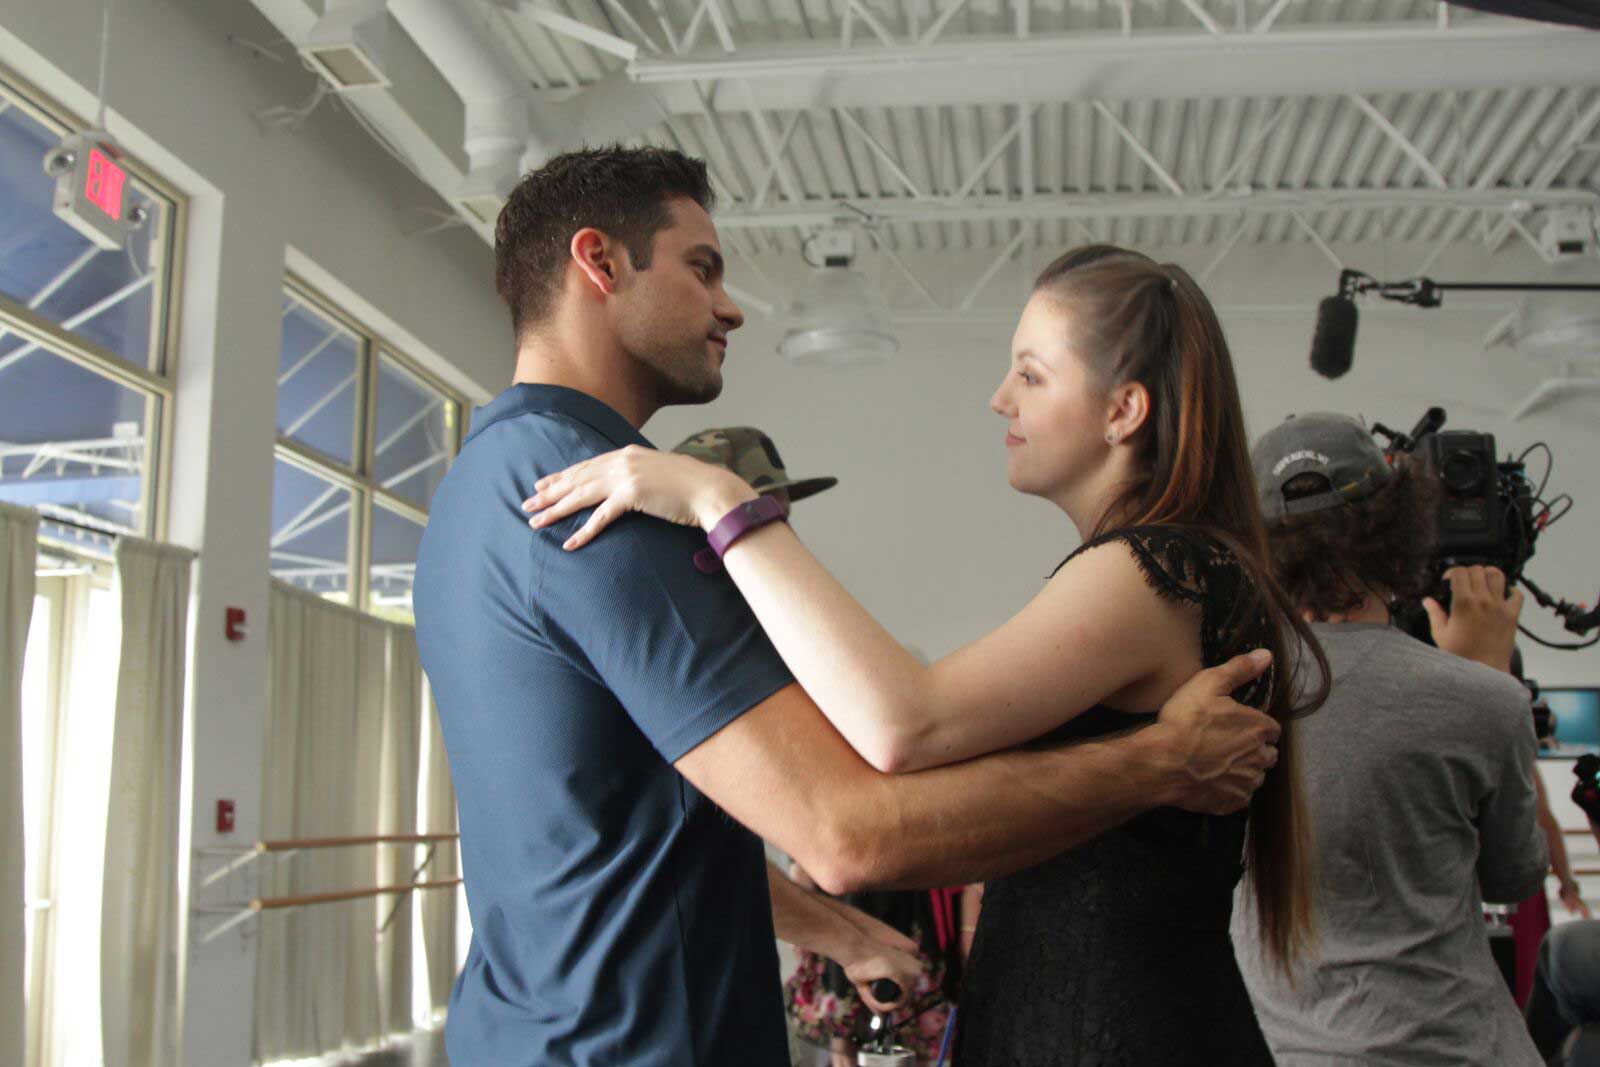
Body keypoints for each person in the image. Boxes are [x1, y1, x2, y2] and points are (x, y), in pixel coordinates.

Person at [415, 147, 1281, 1067]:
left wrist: (837, 930)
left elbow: (644, 825)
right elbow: (847, 828)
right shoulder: (592, 500)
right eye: (701, 268)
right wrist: (1160, 760)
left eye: (1031, 375)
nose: (731, 306)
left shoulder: (481, 485)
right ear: (600, 262)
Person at [1231, 412, 1549, 1066]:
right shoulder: (1487, 701)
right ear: (1401, 529)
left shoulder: (1218, 704)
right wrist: (1484, 674)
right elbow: (1514, 878)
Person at [672, 427, 971, 1066]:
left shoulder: (764, 639)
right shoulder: (682, 648)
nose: (779, 535)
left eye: (779, 516)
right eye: (756, 514)